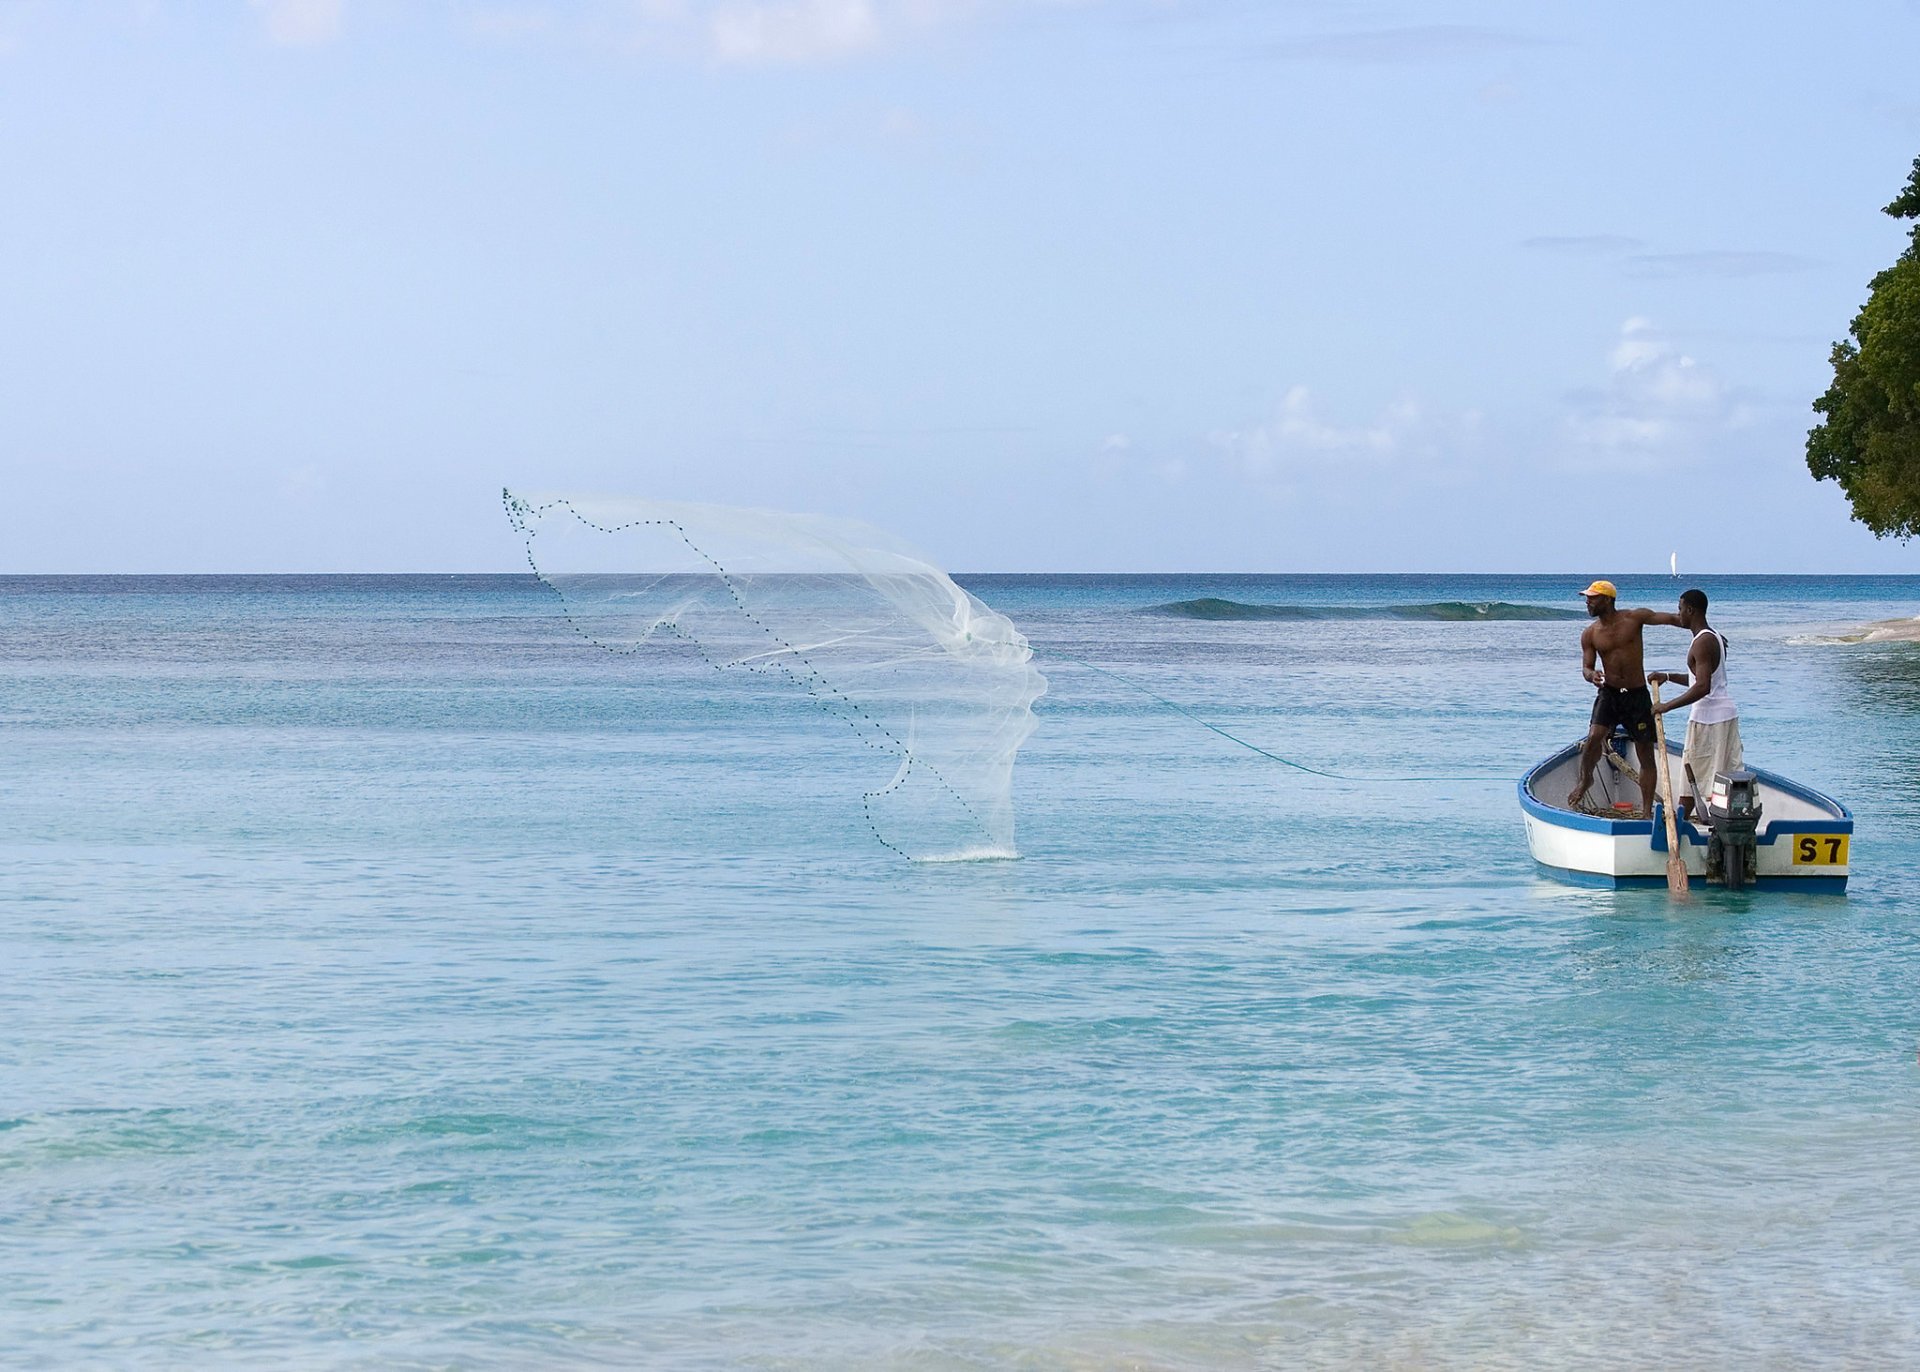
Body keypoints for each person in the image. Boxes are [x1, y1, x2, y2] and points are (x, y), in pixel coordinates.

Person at [1567, 579, 1686, 817]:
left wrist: (1705, 631)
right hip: (1609, 693)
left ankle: (1646, 810)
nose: (1587, 602)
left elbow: (1673, 619)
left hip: (1636, 695)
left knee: (1644, 752)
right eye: (1586, 598)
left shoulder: (1634, 618)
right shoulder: (1590, 634)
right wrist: (1592, 676)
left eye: (1592, 598)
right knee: (1594, 738)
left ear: (1608, 599)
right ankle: (1585, 780)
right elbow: (1586, 667)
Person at [1649, 588, 1741, 820]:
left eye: (1680, 609)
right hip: (1725, 714)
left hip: (1708, 718)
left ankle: (1678, 823)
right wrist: (1668, 677)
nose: (1678, 614)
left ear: (1690, 610)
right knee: (1723, 774)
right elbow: (1698, 678)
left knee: (1692, 774)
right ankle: (1722, 819)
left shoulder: (1701, 643)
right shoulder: (1715, 637)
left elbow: (1702, 687)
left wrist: (1666, 706)